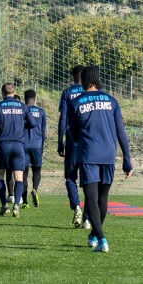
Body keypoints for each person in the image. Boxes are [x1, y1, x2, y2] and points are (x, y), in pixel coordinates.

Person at [67, 65, 132, 252]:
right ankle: (94, 234)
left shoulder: (77, 102)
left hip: (88, 154)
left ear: (84, 80)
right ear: (98, 79)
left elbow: (73, 132)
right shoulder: (111, 101)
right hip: (108, 155)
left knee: (91, 198)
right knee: (103, 198)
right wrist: (127, 160)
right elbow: (121, 131)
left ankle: (102, 238)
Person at [0, 83, 36, 218]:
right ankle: (16, 206)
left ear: (3, 93)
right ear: (14, 92)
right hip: (18, 145)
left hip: (4, 144)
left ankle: (4, 206)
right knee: (19, 176)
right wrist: (20, 126)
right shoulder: (22, 106)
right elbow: (33, 123)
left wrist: (0, 130)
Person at [58, 65, 90, 229]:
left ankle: (76, 206)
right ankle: (86, 217)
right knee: (87, 180)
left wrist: (60, 140)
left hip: (71, 140)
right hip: (87, 142)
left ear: (72, 77)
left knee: (70, 177)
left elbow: (63, 118)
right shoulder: (89, 93)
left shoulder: (67, 93)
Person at [22, 89, 46, 208]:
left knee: (24, 173)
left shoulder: (22, 110)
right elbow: (43, 131)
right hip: (37, 145)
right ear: (35, 98)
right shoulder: (41, 112)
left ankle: (25, 201)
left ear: (24, 98)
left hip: (24, 145)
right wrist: (42, 146)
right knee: (37, 171)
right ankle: (35, 189)